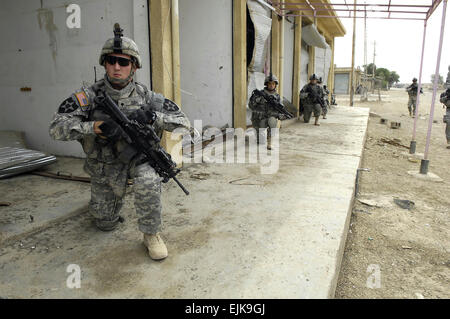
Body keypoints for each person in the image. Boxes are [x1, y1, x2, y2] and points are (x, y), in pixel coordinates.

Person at [49, 24, 190, 260]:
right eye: (111, 61)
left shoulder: (148, 97)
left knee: (148, 178)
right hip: (105, 165)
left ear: (134, 66)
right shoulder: (89, 97)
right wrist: (93, 127)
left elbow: (183, 123)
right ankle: (108, 207)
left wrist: (155, 116)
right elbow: (56, 128)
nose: (117, 67)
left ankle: (151, 234)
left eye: (124, 62)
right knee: (105, 223)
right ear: (104, 63)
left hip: (138, 158)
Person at [248, 74, 287, 150]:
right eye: (270, 83)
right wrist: (257, 100)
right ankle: (261, 137)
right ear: (266, 84)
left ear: (275, 85)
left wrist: (280, 115)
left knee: (272, 122)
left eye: (273, 84)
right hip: (260, 118)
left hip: (270, 117)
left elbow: (280, 110)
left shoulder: (277, 96)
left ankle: (269, 142)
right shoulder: (259, 94)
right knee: (260, 141)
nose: (271, 85)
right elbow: (250, 106)